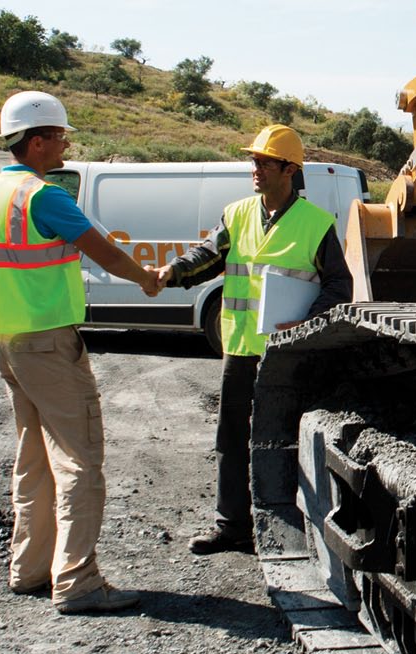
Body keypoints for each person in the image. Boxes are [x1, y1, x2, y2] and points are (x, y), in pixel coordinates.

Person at [0, 91, 159, 614]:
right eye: (59, 136)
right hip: (48, 342)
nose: (65, 144)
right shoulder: (44, 196)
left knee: (33, 460)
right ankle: (77, 582)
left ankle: (30, 569)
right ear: (36, 142)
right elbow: (101, 249)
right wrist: (147, 278)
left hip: (7, 342)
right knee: (80, 460)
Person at [153, 125, 352, 555]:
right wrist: (173, 272)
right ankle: (232, 526)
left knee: (282, 439)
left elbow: (339, 286)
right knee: (230, 439)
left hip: (285, 356)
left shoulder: (316, 225)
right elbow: (207, 255)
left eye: (264, 162)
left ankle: (290, 529)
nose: (255, 169)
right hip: (240, 350)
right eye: (254, 161)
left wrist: (305, 323)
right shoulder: (237, 214)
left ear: (289, 170)